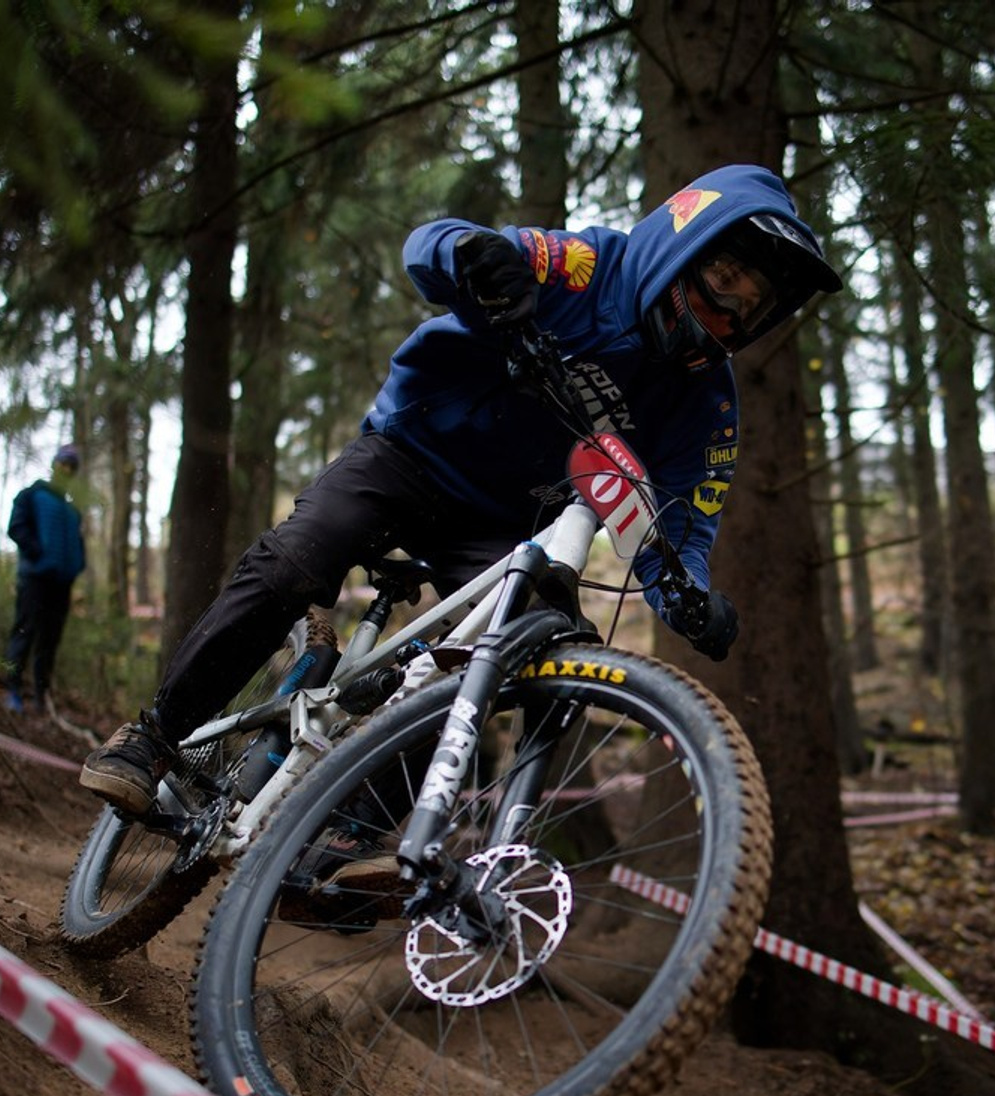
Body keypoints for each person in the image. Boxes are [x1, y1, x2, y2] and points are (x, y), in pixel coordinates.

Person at [81, 163, 841, 817]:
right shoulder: (586, 266)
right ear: (686, 244)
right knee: (293, 564)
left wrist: (689, 595)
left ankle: (352, 836)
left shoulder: (707, 403)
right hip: (406, 454)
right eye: (726, 277)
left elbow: (681, 518)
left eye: (754, 302)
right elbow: (435, 247)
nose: (732, 309)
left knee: (524, 649)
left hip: (502, 526)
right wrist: (475, 256)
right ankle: (153, 739)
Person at [4, 443, 87, 715]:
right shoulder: (31, 495)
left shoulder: (72, 511)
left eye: (71, 466)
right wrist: (38, 553)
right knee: (24, 632)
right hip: (34, 579)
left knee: (49, 640)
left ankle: (41, 695)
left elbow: (78, 543)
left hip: (61, 584)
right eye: (63, 463)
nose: (66, 469)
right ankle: (12, 689)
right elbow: (16, 528)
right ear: (54, 465)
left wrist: (77, 565)